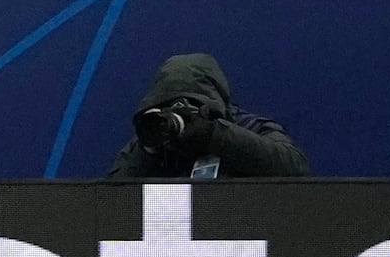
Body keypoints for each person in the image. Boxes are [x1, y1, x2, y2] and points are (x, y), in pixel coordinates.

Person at [106, 52, 309, 179]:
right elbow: (110, 203)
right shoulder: (155, 138)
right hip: (170, 242)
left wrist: (215, 135)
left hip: (239, 238)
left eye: (190, 105)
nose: (180, 112)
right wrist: (148, 149)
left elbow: (295, 169)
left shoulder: (248, 127)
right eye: (170, 105)